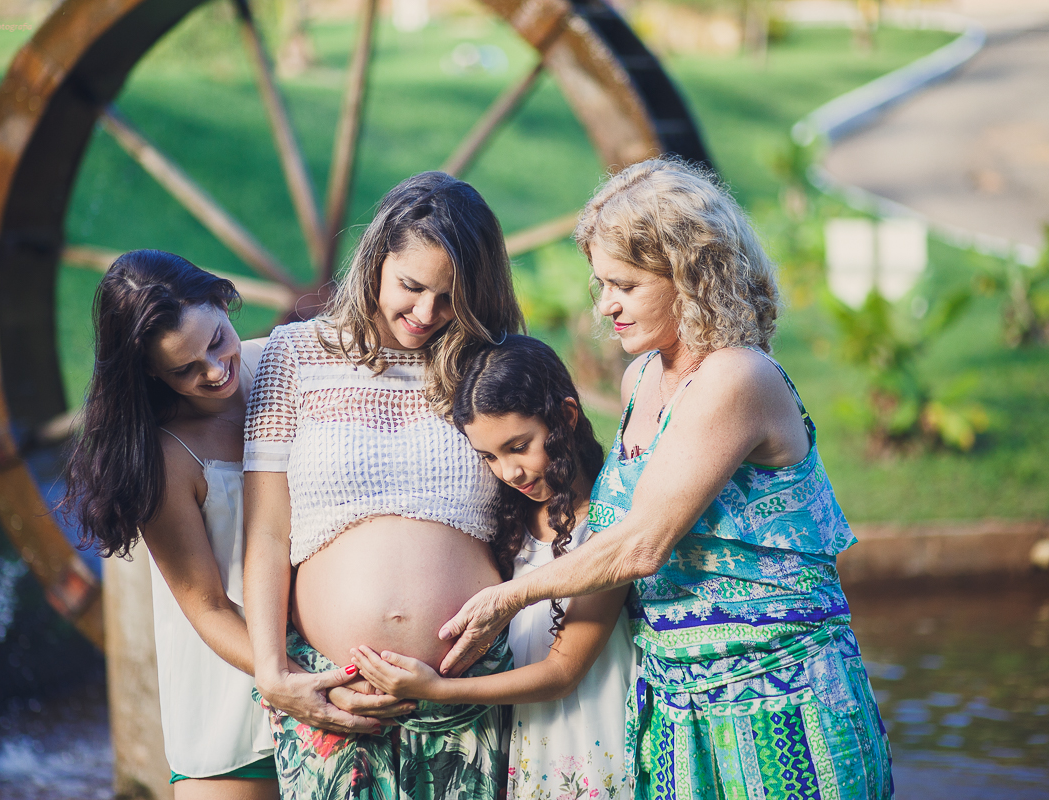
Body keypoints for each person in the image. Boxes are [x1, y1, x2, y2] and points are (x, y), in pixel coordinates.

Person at [436, 159, 895, 800]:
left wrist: (507, 599)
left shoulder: (737, 376)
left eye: (622, 284)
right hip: (679, 710)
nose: (605, 306)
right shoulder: (642, 379)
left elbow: (642, 544)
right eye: (600, 284)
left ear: (689, 274)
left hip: (778, 704)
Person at [242, 171, 526, 800]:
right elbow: (266, 529)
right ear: (376, 262)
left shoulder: (495, 366)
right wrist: (272, 674)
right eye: (411, 286)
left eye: (450, 298)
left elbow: (545, 508)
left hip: (466, 689)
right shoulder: (294, 355)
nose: (426, 314)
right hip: (335, 693)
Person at [348, 334, 636, 800]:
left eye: (519, 446)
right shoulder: (511, 519)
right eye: (489, 456)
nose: (509, 472)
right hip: (530, 738)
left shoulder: (608, 525)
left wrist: (436, 690)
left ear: (565, 416)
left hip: (595, 736)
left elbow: (563, 671)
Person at [62, 250, 278, 800]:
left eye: (215, 340)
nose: (213, 370)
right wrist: (290, 679)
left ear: (222, 301)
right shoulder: (161, 455)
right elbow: (206, 606)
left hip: (327, 681)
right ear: (151, 373)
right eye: (184, 369)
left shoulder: (282, 369)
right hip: (232, 705)